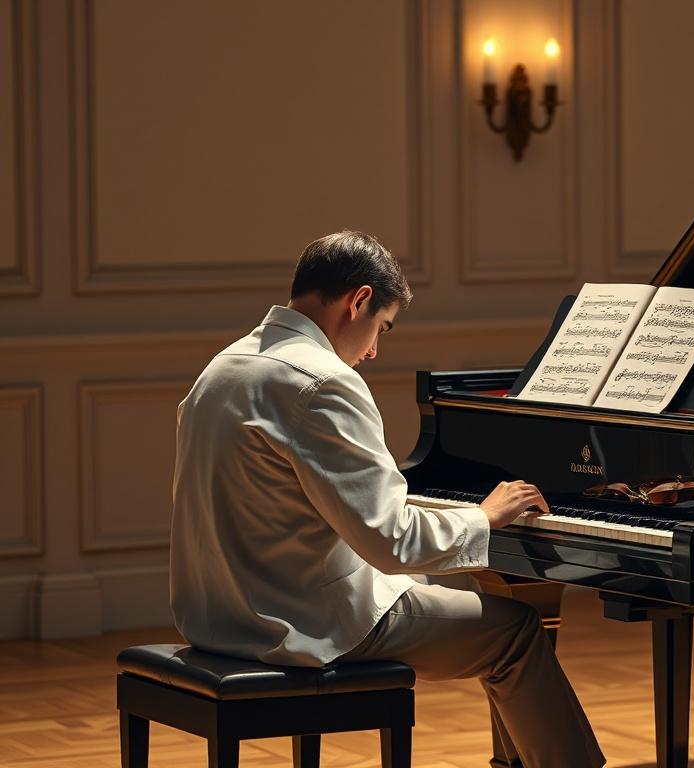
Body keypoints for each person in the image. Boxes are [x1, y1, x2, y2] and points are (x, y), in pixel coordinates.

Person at [170, 231, 605, 767]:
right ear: (358, 300)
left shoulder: (224, 367)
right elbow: (390, 540)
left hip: (220, 615)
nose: (374, 350)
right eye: (382, 327)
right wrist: (484, 516)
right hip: (299, 624)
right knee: (515, 633)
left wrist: (455, 521)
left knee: (431, 586)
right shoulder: (323, 382)